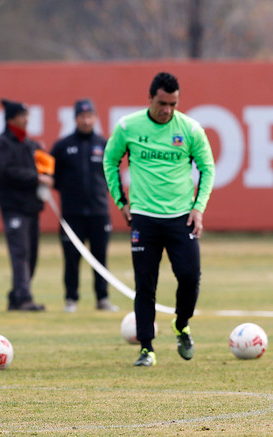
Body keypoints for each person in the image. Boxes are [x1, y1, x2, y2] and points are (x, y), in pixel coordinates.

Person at [103, 72, 215, 367]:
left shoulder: (190, 129)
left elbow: (207, 168)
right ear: (150, 98)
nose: (167, 109)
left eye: (173, 104)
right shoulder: (128, 126)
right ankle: (147, 348)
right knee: (145, 285)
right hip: (144, 218)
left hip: (181, 217)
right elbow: (110, 160)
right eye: (162, 103)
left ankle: (181, 324)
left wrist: (198, 207)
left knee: (190, 277)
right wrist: (121, 201)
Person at [50, 99, 119, 313]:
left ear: (95, 118)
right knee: (71, 259)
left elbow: (112, 175)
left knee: (100, 258)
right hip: (72, 214)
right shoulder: (62, 146)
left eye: (90, 116)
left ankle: (103, 298)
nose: (86, 120)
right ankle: (71, 299)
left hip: (99, 213)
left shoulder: (104, 144)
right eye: (82, 116)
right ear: (76, 118)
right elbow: (53, 176)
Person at [0, 99, 54, 311]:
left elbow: (46, 166)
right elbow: (6, 172)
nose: (27, 119)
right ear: (11, 119)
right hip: (13, 207)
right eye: (22, 115)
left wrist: (47, 175)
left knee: (32, 254)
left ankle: (17, 296)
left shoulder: (31, 145)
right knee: (21, 253)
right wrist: (37, 178)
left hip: (32, 207)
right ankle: (24, 297)